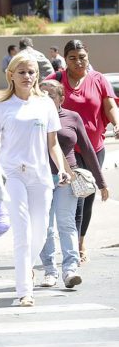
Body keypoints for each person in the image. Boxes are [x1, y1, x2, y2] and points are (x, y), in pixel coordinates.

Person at [0, 52, 70, 308]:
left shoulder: (45, 105)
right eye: (21, 72)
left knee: (40, 232)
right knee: (22, 232)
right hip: (12, 175)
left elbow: (53, 144)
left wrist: (61, 168)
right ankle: (25, 290)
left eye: (31, 72)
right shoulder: (1, 107)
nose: (27, 76)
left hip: (40, 176)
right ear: (11, 75)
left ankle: (27, 269)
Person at [46, 39, 119, 263]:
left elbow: (110, 105)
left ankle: (80, 240)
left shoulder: (98, 79)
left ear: (88, 57)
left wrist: (117, 123)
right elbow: (36, 98)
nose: (78, 62)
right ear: (65, 60)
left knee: (87, 196)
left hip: (93, 148)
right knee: (73, 197)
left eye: (82, 57)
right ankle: (72, 245)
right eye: (72, 58)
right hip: (66, 149)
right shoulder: (56, 80)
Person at [38, 80, 108, 289]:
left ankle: (70, 270)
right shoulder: (33, 118)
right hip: (40, 179)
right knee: (46, 226)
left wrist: (101, 182)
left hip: (66, 178)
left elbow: (87, 149)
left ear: (61, 98)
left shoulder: (72, 117)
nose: (45, 98)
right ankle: (49, 271)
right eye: (41, 94)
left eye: (51, 95)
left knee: (66, 222)